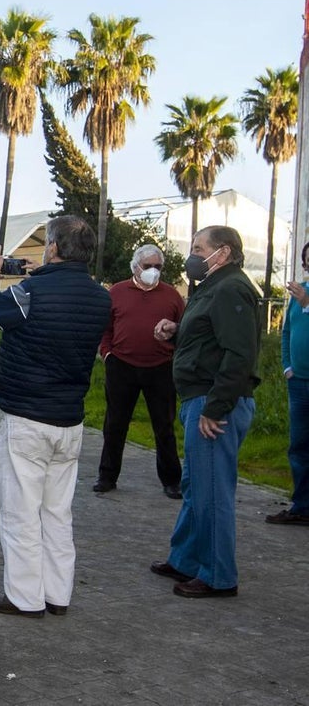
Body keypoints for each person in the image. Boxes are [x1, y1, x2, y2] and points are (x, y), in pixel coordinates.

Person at [0, 215, 110, 618]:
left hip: (28, 418)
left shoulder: (32, 293)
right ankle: (58, 594)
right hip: (70, 419)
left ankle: (25, 597)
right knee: (57, 512)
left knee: (20, 511)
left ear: (54, 249)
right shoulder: (101, 298)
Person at [150, 226, 260, 598]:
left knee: (212, 491)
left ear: (223, 253)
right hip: (199, 398)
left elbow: (239, 354)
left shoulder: (231, 288)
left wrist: (215, 408)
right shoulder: (212, 287)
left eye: (199, 248)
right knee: (195, 486)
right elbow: (210, 338)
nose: (192, 255)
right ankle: (185, 558)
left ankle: (217, 576)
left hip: (215, 403)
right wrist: (176, 331)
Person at [94, 244, 185, 498]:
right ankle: (107, 476)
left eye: (158, 267)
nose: (153, 271)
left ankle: (171, 481)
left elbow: (184, 328)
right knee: (115, 423)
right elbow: (106, 327)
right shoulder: (117, 292)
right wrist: (107, 352)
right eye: (148, 267)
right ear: (136, 267)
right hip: (121, 365)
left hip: (161, 367)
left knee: (164, 426)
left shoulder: (172, 295)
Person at [268, 240, 309, 526]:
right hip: (298, 383)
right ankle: (301, 506)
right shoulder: (299, 294)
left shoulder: (304, 296)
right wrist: (286, 367)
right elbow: (286, 333)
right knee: (299, 446)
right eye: (307, 261)